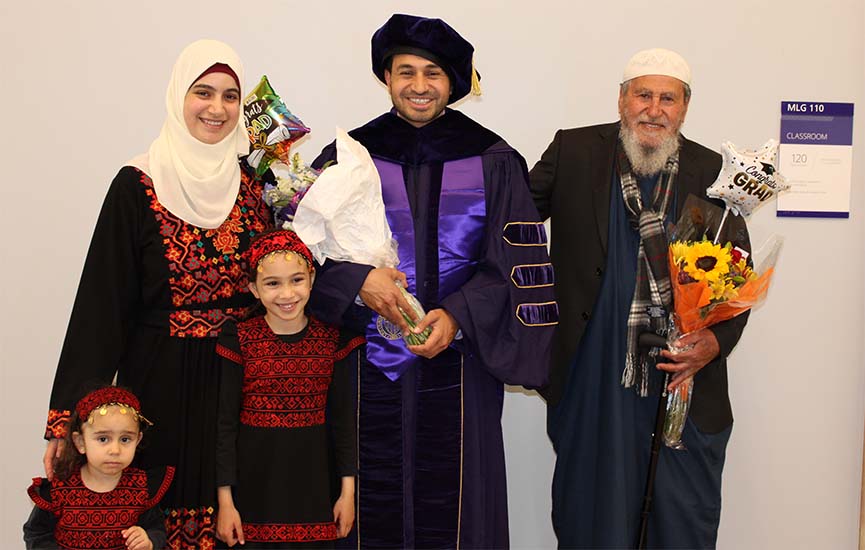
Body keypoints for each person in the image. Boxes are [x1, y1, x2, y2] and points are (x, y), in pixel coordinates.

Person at [309, 14, 557, 550]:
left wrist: (460, 316)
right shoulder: (350, 156)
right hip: (365, 360)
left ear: (454, 83)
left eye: (433, 74)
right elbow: (296, 257)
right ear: (386, 77)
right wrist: (357, 281)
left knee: (460, 505)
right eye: (406, 72)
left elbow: (517, 266)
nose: (419, 86)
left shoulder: (493, 158)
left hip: (462, 365)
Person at [41, 40, 271, 548]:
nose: (217, 108)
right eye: (203, 92)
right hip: (159, 383)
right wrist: (67, 419)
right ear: (177, 97)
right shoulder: (137, 183)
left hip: (242, 381)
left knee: (240, 511)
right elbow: (101, 306)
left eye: (231, 96)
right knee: (152, 520)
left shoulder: (258, 185)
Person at [529, 48, 750, 548]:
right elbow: (511, 218)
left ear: (685, 107)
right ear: (622, 99)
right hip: (594, 373)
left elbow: (736, 281)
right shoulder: (574, 150)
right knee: (591, 514)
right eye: (643, 95)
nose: (654, 109)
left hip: (681, 379)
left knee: (680, 518)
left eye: (667, 98)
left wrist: (713, 343)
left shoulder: (713, 171)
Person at [215, 229, 364, 548]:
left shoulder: (332, 340)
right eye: (272, 283)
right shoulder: (239, 339)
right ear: (254, 289)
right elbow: (224, 426)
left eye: (296, 280)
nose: (287, 294)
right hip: (253, 496)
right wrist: (225, 502)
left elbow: (343, 423)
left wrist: (347, 492)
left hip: (315, 495)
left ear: (312, 279)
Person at [25, 386, 174, 550]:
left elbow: (157, 529)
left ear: (137, 440)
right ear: (80, 442)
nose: (115, 450)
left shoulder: (142, 487)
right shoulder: (59, 489)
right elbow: (36, 533)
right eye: (103, 439)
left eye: (125, 439)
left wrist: (149, 540)